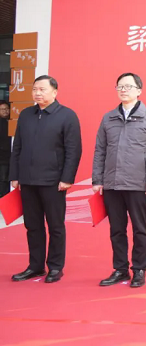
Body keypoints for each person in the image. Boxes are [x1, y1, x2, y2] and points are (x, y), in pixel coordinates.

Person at [92, 73, 146, 288]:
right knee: (116, 229)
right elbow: (100, 150)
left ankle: (139, 269)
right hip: (112, 183)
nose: (123, 90)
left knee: (140, 229)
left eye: (128, 86)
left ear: (139, 91)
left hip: (138, 184)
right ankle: (120, 269)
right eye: (120, 86)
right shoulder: (108, 118)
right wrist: (97, 179)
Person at [9, 75, 82, 283]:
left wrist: (67, 178)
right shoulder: (26, 115)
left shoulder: (67, 115)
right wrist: (15, 175)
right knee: (32, 226)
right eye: (35, 89)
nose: (37, 93)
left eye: (42, 89)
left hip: (53, 181)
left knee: (55, 226)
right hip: (27, 180)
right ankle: (35, 266)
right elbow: (17, 147)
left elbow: (73, 150)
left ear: (55, 92)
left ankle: (56, 267)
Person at [0, 100, 11, 198]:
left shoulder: (11, 121)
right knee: (3, 179)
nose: (5, 111)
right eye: (2, 109)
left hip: (10, 156)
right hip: (2, 157)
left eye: (7, 109)